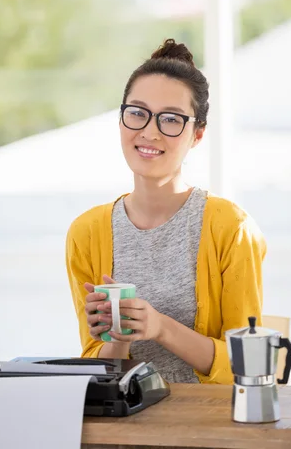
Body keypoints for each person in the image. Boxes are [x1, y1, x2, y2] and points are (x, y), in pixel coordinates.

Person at [66, 38, 266, 384]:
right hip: (122, 429)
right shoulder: (86, 232)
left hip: (205, 431)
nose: (149, 131)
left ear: (197, 134)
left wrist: (160, 327)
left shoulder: (231, 227)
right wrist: (117, 338)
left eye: (171, 119)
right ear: (121, 120)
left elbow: (250, 366)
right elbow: (95, 365)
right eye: (137, 113)